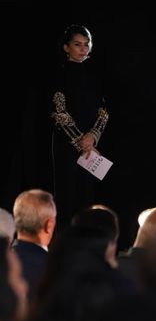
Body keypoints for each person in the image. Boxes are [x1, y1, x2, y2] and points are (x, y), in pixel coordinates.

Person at [51, 25, 109, 227]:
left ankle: (85, 240)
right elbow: (58, 110)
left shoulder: (95, 76)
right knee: (67, 194)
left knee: (87, 197)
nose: (83, 49)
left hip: (91, 145)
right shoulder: (58, 74)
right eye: (77, 45)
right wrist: (80, 141)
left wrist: (92, 137)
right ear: (66, 47)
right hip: (66, 144)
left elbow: (104, 109)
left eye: (86, 44)